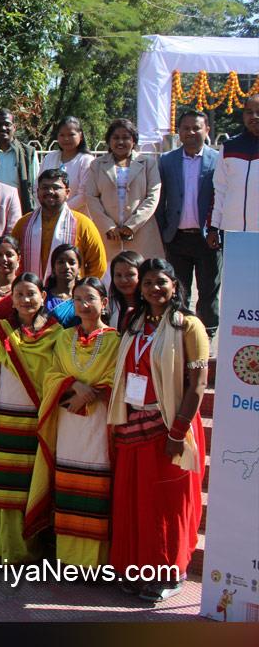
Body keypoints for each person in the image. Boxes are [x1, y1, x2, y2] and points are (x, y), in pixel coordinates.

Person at [107, 258, 208, 603]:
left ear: (175, 286)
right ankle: (137, 569)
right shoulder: (134, 321)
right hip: (134, 424)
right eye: (147, 283)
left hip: (169, 427)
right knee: (135, 502)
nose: (154, 289)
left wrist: (177, 433)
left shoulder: (188, 326)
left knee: (168, 505)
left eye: (161, 282)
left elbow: (197, 385)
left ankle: (170, 573)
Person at [0, 273, 62, 563]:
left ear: (42, 297)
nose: (25, 300)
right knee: (1, 486)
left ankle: (25, 548)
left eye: (31, 294)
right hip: (3, 421)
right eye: (19, 294)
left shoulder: (57, 334)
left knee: (27, 489)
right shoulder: (0, 332)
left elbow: (58, 377)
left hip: (37, 423)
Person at [28, 277, 120, 568]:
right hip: (68, 423)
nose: (83, 305)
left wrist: (91, 393)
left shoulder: (117, 340)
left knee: (95, 491)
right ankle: (68, 560)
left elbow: (119, 378)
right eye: (78, 300)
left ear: (104, 303)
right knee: (69, 487)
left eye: (90, 299)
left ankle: (94, 563)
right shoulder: (64, 337)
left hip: (98, 424)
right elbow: (51, 374)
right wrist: (72, 386)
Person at [157, 110, 222, 338]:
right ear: (179, 132)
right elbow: (160, 199)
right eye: (186, 128)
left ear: (207, 130)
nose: (191, 132)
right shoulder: (166, 161)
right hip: (177, 238)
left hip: (208, 239)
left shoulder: (219, 159)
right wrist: (164, 233)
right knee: (178, 292)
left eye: (197, 128)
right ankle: (179, 334)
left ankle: (207, 336)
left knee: (208, 292)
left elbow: (223, 197)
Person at [84, 118, 164, 261]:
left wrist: (131, 225)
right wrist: (108, 226)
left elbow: (153, 196)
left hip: (141, 232)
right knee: (110, 276)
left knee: (142, 275)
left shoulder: (148, 164)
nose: (120, 142)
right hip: (108, 234)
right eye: (115, 138)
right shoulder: (96, 165)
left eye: (126, 137)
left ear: (134, 141)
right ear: (109, 141)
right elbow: (91, 197)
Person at [10, 168, 107, 280]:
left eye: (56, 187)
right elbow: (13, 255)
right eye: (45, 187)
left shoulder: (83, 224)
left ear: (67, 193)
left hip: (70, 294)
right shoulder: (24, 223)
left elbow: (98, 266)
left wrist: (81, 289)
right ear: (37, 192)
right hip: (31, 292)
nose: (50, 191)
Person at [209, 93, 259, 238]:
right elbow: (220, 189)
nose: (254, 116)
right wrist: (214, 227)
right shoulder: (229, 146)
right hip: (232, 231)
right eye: (249, 112)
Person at [38, 116, 95, 214]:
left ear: (80, 136)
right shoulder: (50, 157)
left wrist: (59, 211)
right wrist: (45, 208)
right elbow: (37, 186)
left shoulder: (86, 160)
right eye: (62, 135)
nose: (66, 139)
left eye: (71, 134)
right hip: (48, 215)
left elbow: (84, 195)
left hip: (76, 215)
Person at [0, 108, 39, 213]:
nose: (3, 128)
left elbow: (35, 187)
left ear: (14, 127)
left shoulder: (28, 153)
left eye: (7, 124)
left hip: (20, 211)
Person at [43, 244, 84, 328]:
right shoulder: (43, 296)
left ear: (79, 268)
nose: (66, 266)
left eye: (72, 263)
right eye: (61, 262)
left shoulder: (85, 297)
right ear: (53, 268)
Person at [108, 250, 145, 331]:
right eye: (118, 275)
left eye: (130, 274)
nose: (123, 280)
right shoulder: (108, 306)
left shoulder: (151, 307)